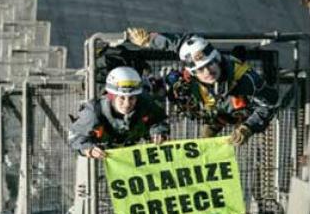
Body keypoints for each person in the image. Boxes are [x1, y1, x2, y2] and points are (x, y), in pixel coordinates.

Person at [126, 28, 279, 146]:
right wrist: (150, 40)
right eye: (200, 69)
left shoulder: (247, 80)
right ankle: (212, 122)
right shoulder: (194, 59)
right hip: (209, 104)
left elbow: (270, 104)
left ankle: (217, 121)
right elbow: (179, 42)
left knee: (234, 104)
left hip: (234, 109)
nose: (207, 72)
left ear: (217, 59)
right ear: (193, 72)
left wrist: (248, 127)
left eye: (210, 64)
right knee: (175, 84)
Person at [68, 66, 169, 159]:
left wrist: (158, 132)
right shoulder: (93, 113)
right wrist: (88, 149)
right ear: (112, 96)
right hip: (102, 156)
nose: (127, 104)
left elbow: (159, 120)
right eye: (122, 98)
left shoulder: (146, 104)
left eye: (132, 98)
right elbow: (75, 136)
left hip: (133, 154)